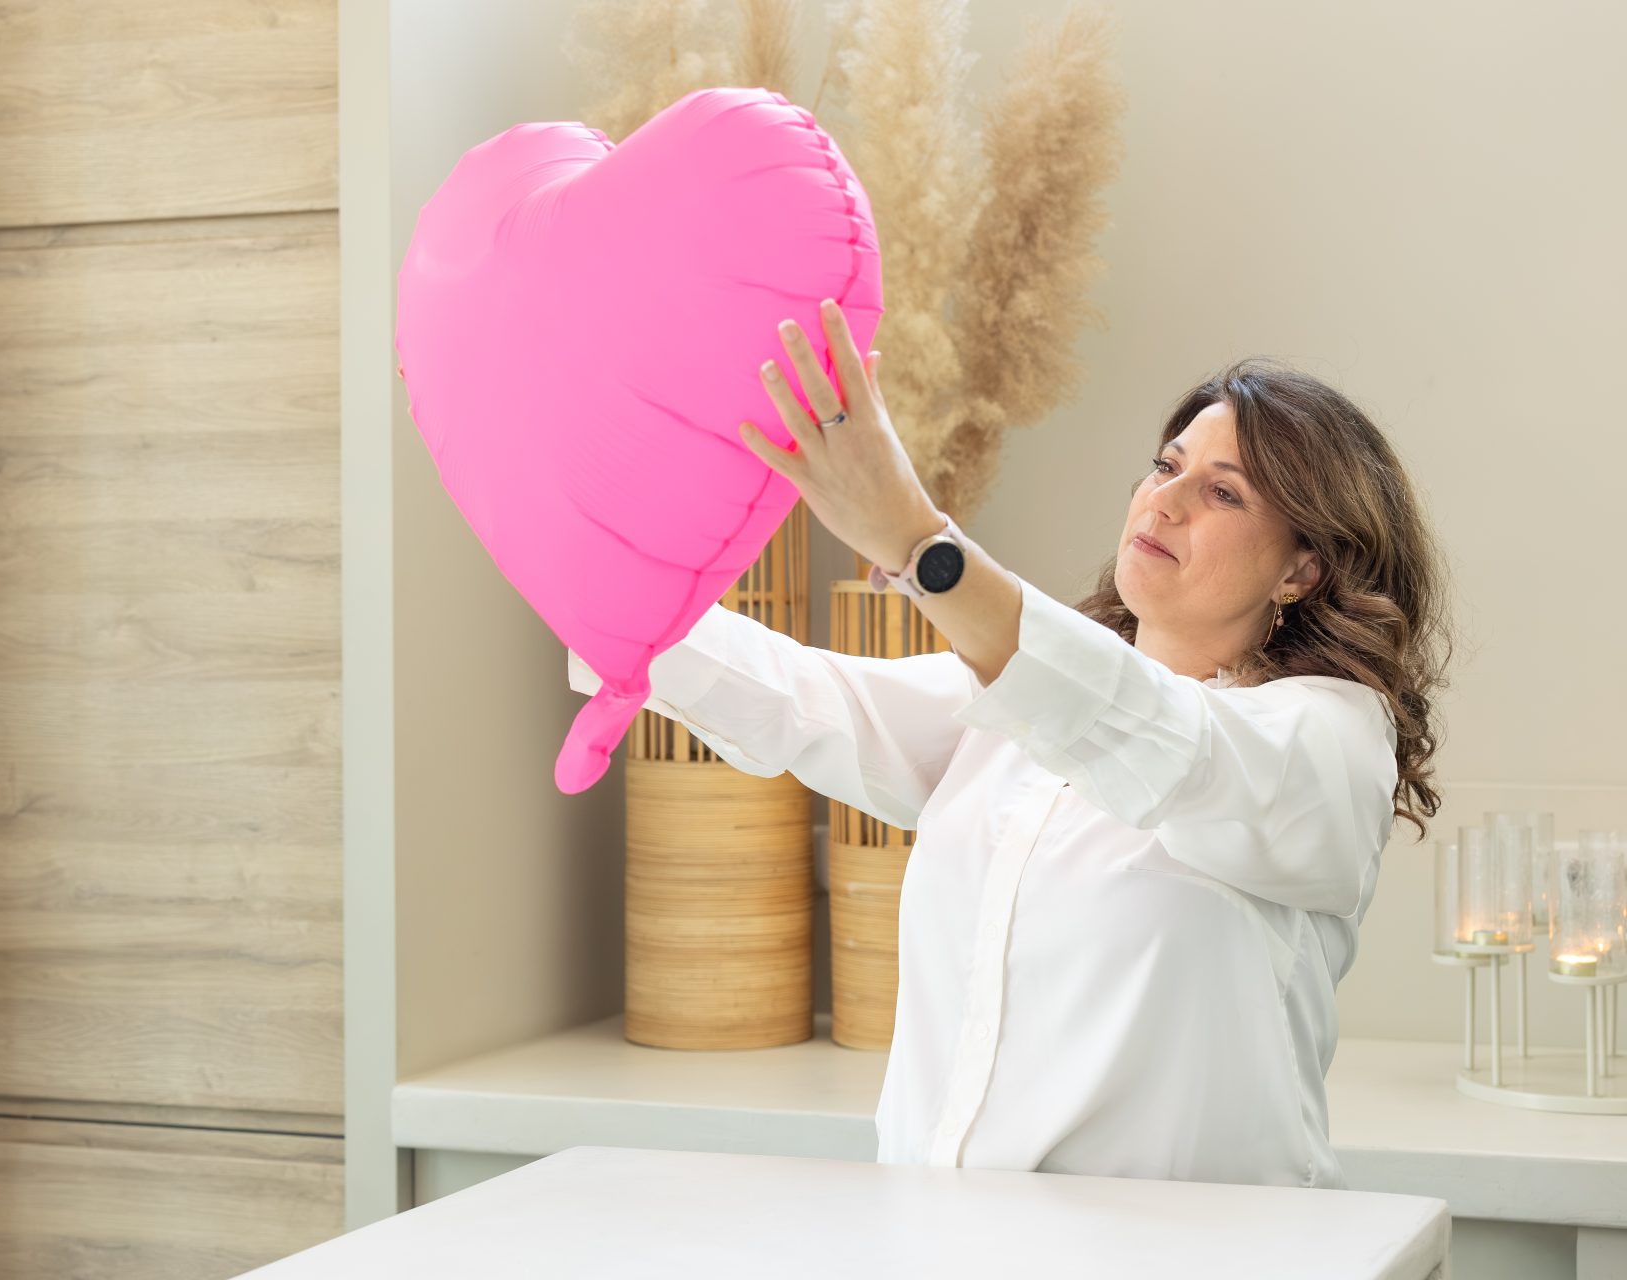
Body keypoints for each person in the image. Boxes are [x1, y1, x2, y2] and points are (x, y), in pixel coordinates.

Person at [565, 298, 1454, 1189]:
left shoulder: (1325, 744)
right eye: (1166, 465)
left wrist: (918, 542)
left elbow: (1165, 743)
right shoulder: (1015, 710)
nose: (1166, 501)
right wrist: (562, 524)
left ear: (1302, 568)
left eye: (1224, 491)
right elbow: (803, 700)